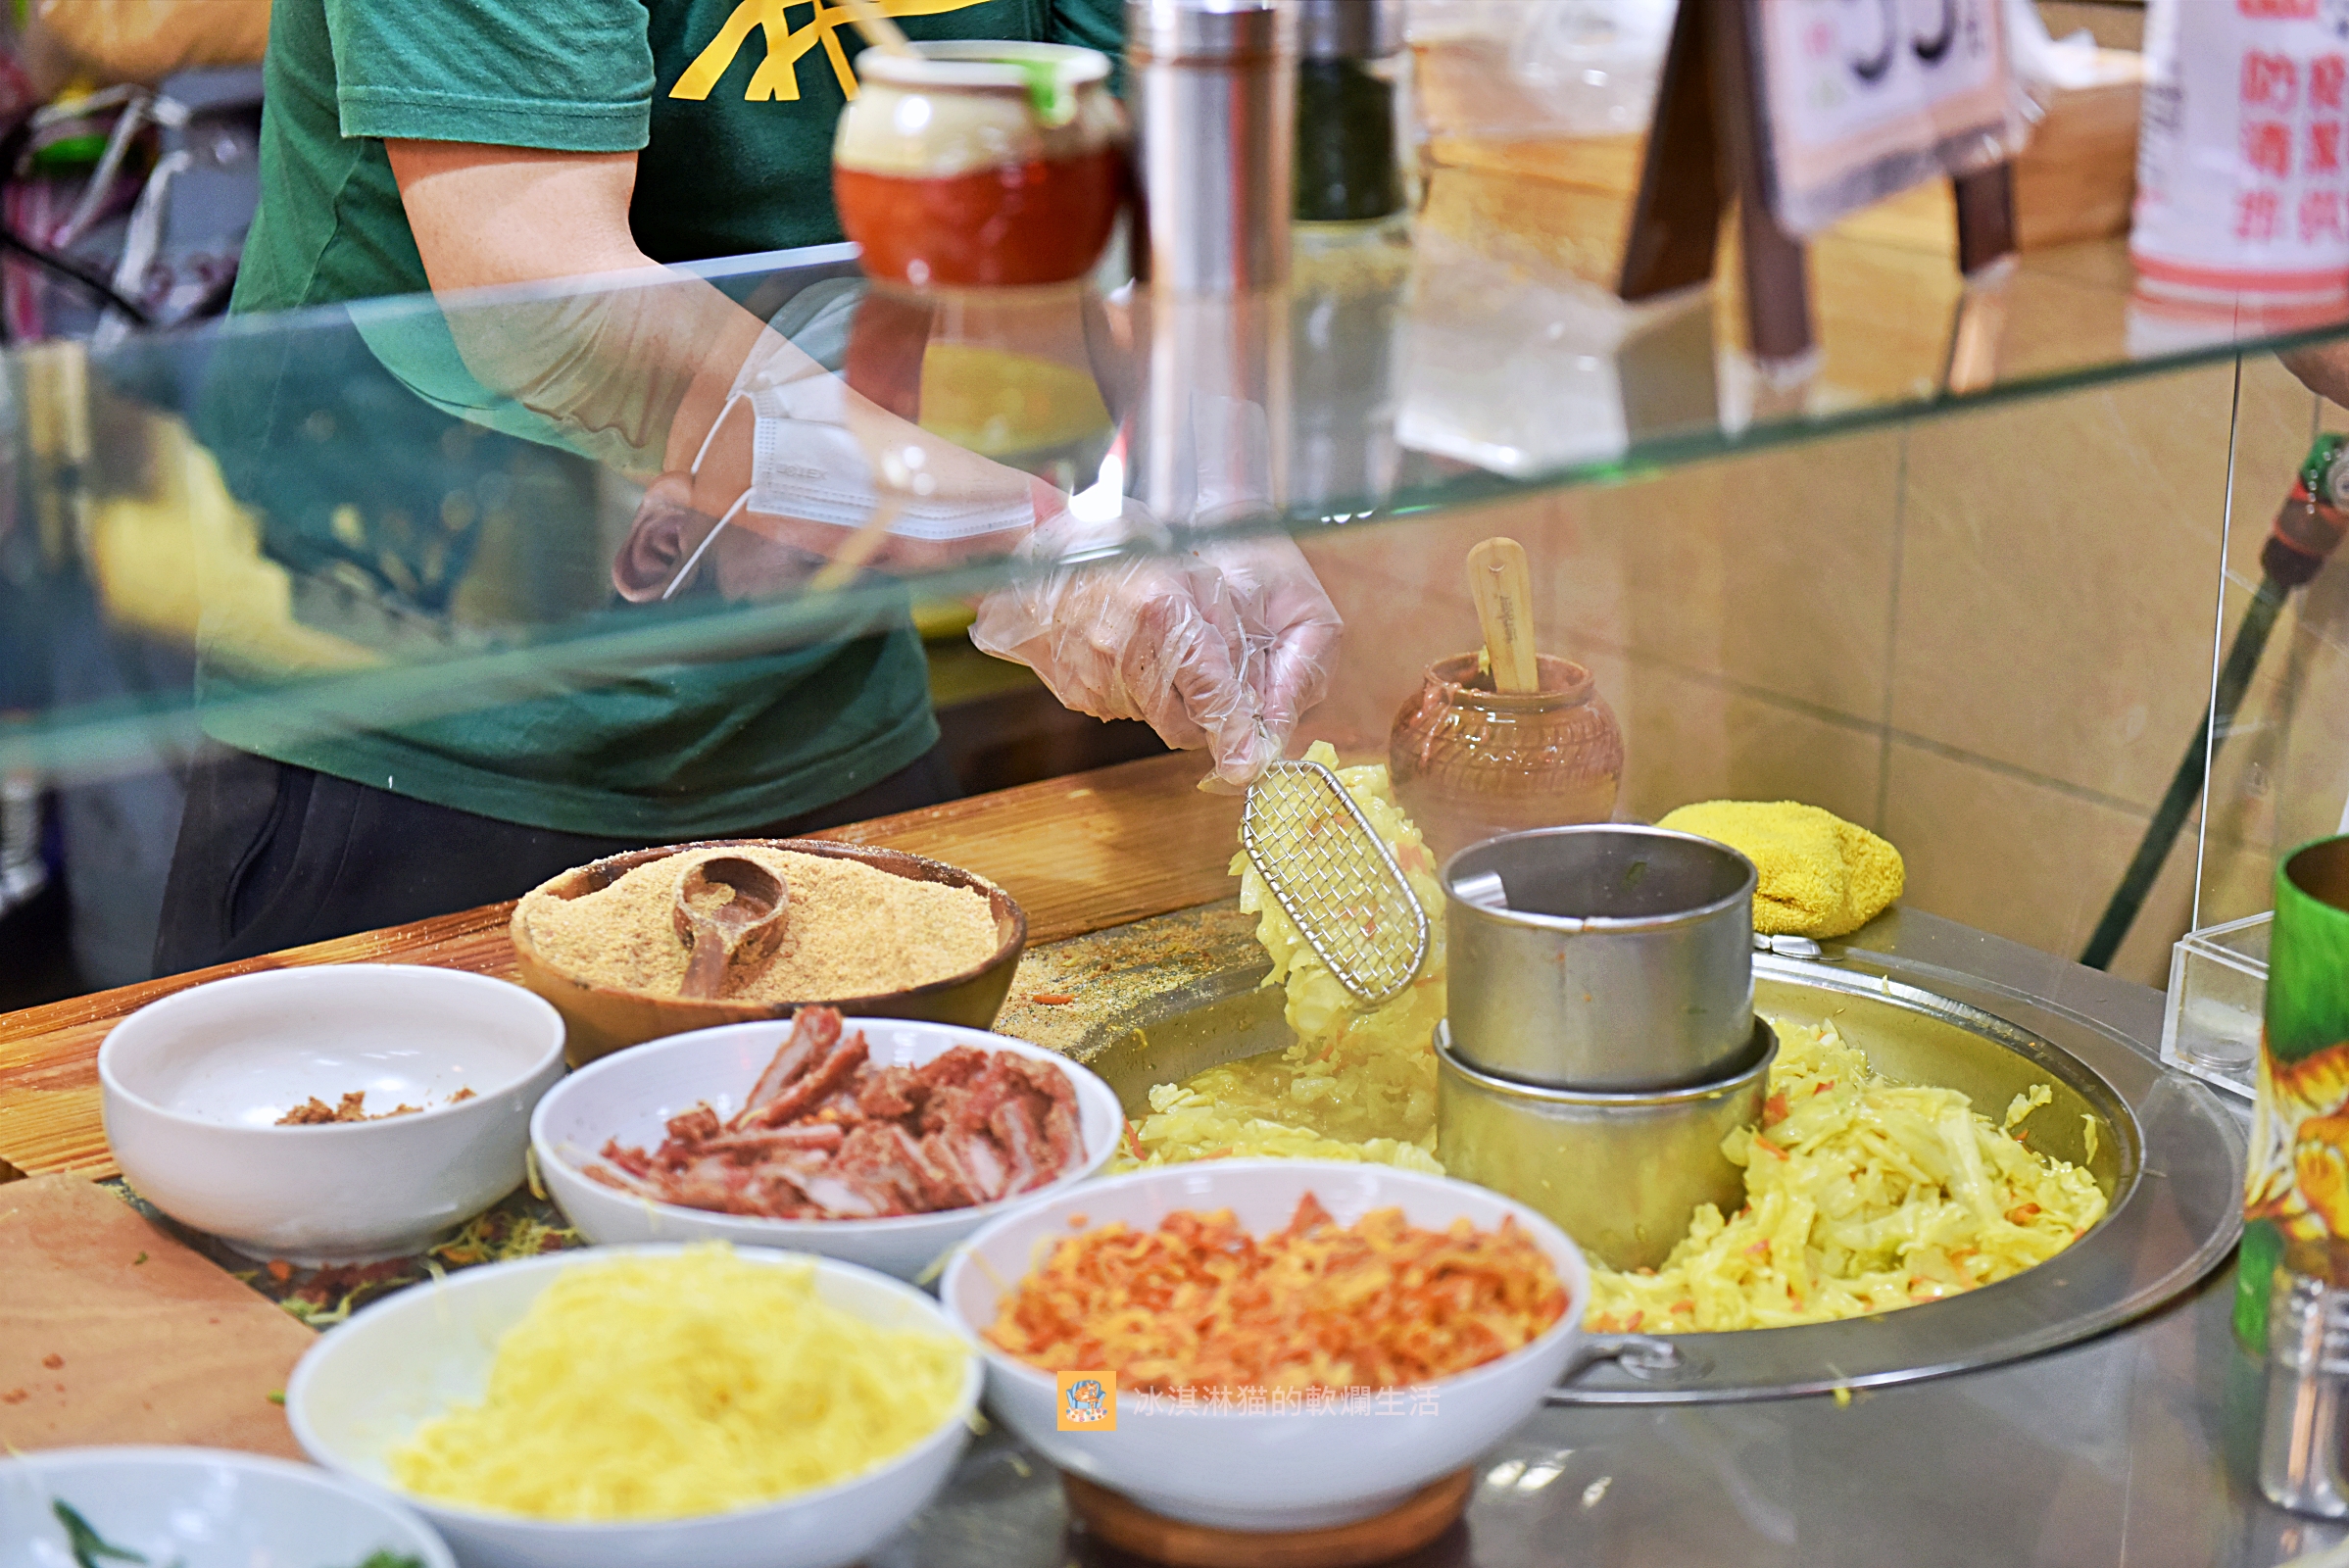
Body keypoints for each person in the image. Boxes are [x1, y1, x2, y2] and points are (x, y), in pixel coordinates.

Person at [154, 0, 1342, 974]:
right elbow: (553, 306)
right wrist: (1032, 544)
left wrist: (1210, 480)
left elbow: (1145, 186)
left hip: (826, 687)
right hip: (436, 721)